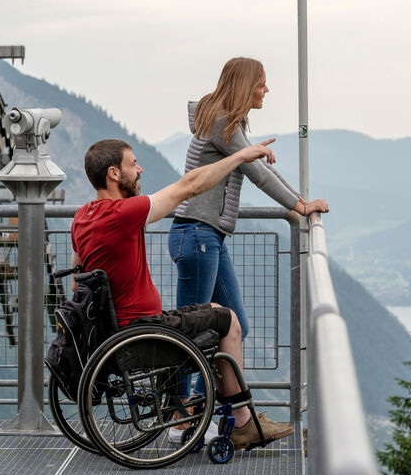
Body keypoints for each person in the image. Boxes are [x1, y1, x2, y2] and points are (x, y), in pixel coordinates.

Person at [71, 137, 293, 450]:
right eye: (133, 164)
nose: (140, 169)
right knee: (227, 320)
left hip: (118, 334)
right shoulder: (122, 213)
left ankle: (183, 411)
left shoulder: (82, 217)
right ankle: (243, 421)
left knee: (206, 312)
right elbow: (188, 186)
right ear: (114, 174)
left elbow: (76, 280)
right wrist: (240, 156)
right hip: (144, 333)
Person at [168, 57, 328, 402]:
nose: (266, 90)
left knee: (237, 323)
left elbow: (259, 166)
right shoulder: (221, 121)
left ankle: (202, 401)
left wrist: (300, 201)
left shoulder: (227, 122)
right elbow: (257, 173)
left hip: (208, 237)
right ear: (244, 87)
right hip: (197, 234)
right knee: (189, 334)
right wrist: (299, 206)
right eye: (261, 84)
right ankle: (179, 413)